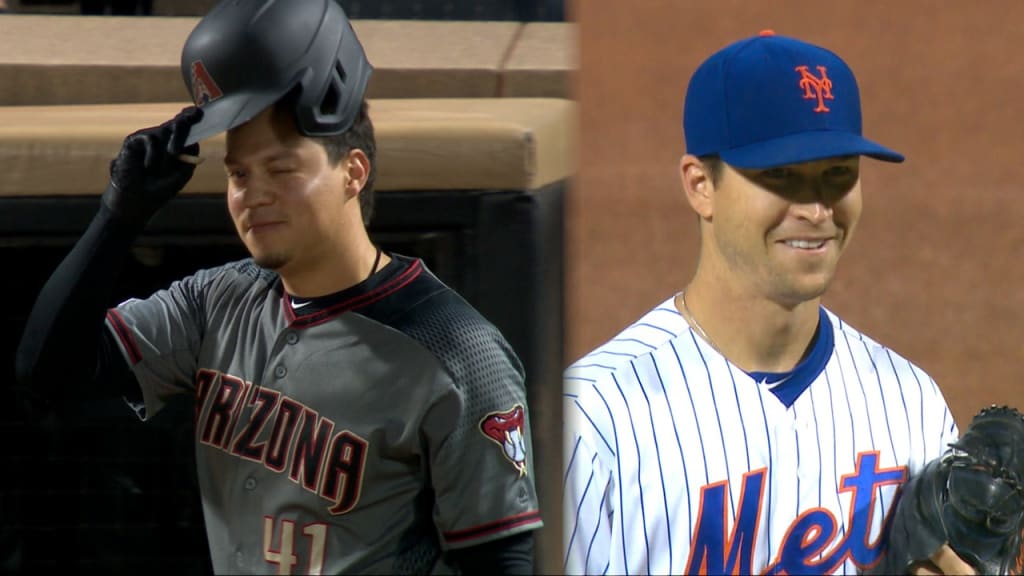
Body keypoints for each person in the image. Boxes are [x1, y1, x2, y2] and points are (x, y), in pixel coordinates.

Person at [15, 0, 542, 573]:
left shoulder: (460, 353)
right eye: (239, 173)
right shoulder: (217, 302)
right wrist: (118, 218)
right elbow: (48, 372)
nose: (252, 193)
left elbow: (499, 563)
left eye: (282, 169)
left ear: (353, 172)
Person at [562, 30, 972, 575]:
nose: (817, 208)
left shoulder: (912, 405)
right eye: (780, 176)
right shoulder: (595, 418)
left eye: (838, 175)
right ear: (700, 184)